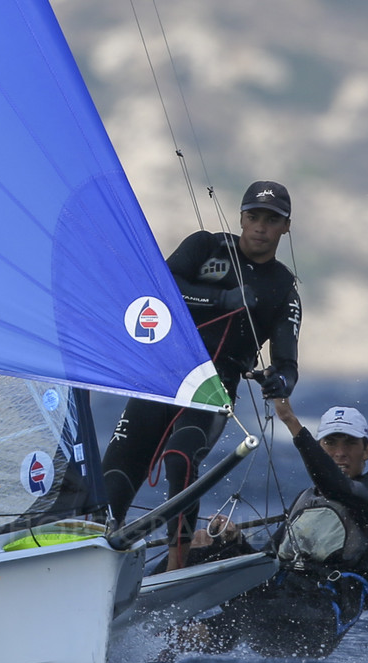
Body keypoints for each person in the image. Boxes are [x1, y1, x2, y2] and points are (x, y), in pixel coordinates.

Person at [102, 180, 302, 568]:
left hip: (214, 387)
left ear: (285, 227)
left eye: (271, 220)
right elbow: (161, 285)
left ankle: (176, 566)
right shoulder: (205, 246)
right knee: (115, 476)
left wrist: (281, 380)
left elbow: (287, 362)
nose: (260, 226)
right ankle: (98, 556)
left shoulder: (283, 287)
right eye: (253, 216)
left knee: (179, 459)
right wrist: (219, 299)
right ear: (241, 218)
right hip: (162, 373)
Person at [176, 398, 368, 658]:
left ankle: (167, 641)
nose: (340, 452)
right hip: (279, 599)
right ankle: (134, 614)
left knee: (246, 614)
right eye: (330, 443)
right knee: (203, 546)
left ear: (366, 450)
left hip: (318, 618)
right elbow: (269, 561)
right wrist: (233, 540)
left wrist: (291, 421)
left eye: (350, 443)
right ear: (320, 448)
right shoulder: (307, 498)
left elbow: (337, 486)